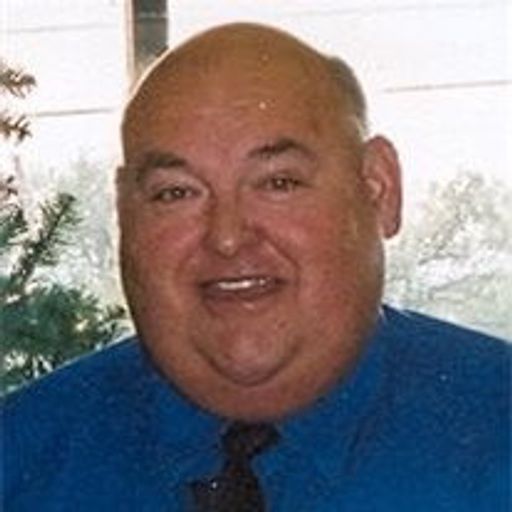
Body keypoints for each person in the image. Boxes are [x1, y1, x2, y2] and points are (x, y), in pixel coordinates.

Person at [3, 22, 510, 512]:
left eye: (278, 183)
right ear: (123, 215)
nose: (227, 237)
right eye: (176, 193)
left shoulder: (495, 431)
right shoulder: (21, 462)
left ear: (379, 190)